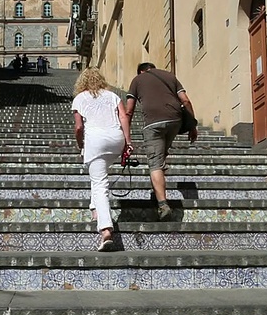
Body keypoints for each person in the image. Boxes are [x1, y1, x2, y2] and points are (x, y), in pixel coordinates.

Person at [125, 62, 198, 221]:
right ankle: (158, 190)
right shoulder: (170, 76)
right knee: (161, 155)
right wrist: (192, 125)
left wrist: (125, 133)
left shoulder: (138, 80)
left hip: (153, 123)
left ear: (141, 71)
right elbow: (185, 100)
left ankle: (163, 204)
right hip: (175, 120)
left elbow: (129, 110)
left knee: (155, 163)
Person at [72, 68, 133, 251]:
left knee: (99, 183)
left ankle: (106, 230)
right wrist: (128, 142)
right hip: (116, 139)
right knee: (98, 173)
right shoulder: (112, 96)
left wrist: (80, 144)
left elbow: (78, 127)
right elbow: (123, 117)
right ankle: (94, 208)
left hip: (96, 141)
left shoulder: (79, 98)